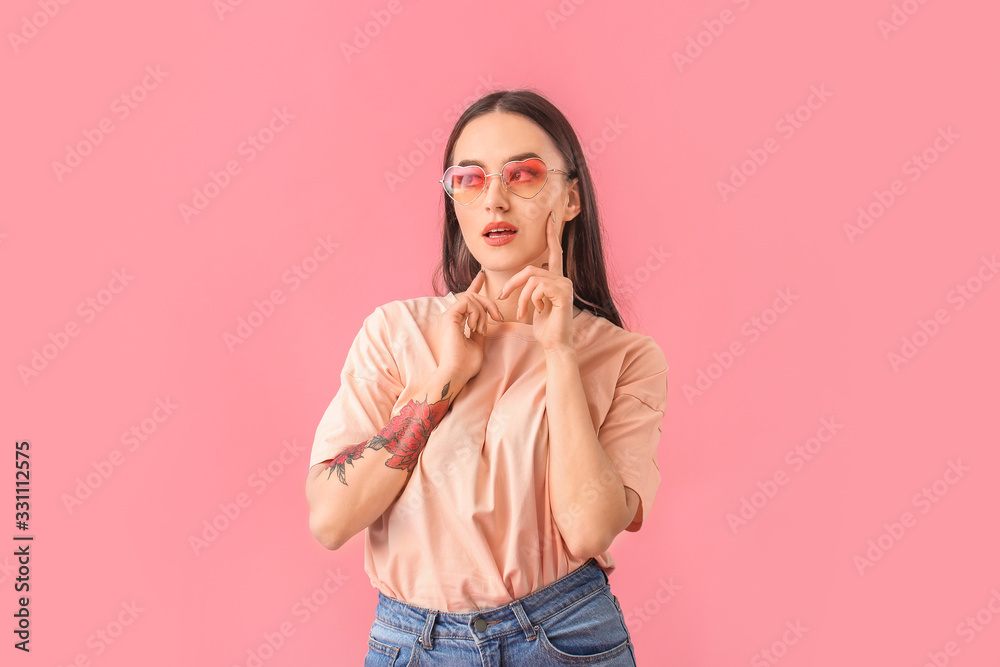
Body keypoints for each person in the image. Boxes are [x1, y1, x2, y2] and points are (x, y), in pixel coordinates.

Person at [305, 88, 668, 666]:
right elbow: (330, 519)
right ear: (454, 201)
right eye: (470, 179)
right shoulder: (397, 332)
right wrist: (445, 378)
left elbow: (591, 531)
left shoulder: (625, 358)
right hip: (412, 644)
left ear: (570, 198)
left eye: (522, 174)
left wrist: (560, 354)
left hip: (562, 637)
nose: (495, 200)